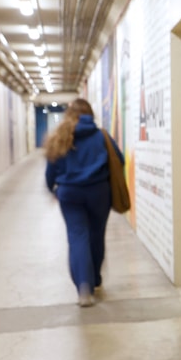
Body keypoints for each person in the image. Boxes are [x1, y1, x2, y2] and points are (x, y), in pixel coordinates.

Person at [44, 98, 123, 307]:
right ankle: (95, 278)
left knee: (77, 236)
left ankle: (83, 287)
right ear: (90, 114)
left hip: (69, 194)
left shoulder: (60, 137)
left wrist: (52, 187)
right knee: (96, 235)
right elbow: (119, 159)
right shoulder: (100, 135)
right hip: (99, 192)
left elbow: (51, 169)